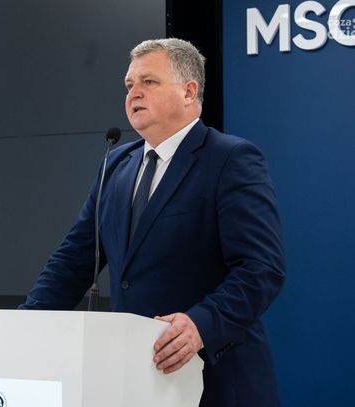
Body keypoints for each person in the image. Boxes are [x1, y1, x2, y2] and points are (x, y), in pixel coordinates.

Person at [19, 38, 285, 407]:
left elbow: (261, 267)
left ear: (188, 92)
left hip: (215, 380)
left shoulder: (231, 159)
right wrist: (23, 327)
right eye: (129, 85)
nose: (134, 94)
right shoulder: (117, 164)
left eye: (149, 82)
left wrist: (201, 324)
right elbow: (73, 259)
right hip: (135, 380)